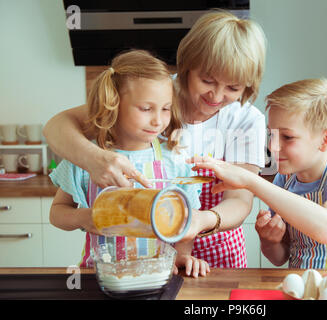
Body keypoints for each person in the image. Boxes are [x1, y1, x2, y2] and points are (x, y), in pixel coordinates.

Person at [43, 10, 267, 269]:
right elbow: (56, 126)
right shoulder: (154, 91)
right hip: (148, 260)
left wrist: (197, 222)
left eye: (233, 88)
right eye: (207, 80)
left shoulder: (247, 120)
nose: (216, 96)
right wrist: (94, 160)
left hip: (219, 249)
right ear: (187, 67)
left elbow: (239, 201)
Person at [48, 49, 210, 277]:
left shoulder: (176, 161)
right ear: (113, 104)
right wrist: (81, 217)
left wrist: (182, 254)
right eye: (146, 109)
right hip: (98, 276)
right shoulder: (86, 158)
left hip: (157, 276)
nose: (158, 120)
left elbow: (185, 219)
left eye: (165, 109)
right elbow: (57, 213)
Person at [189, 79, 327, 270]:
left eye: (287, 137)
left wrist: (250, 181)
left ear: (326, 139)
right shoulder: (284, 181)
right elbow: (280, 258)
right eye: (271, 134)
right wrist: (270, 241)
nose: (273, 146)